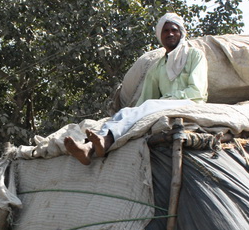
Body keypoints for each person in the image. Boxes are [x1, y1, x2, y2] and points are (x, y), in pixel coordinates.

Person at [63, 12, 209, 165]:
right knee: (126, 111)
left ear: (181, 33)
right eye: (165, 31)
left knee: (150, 105)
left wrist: (163, 101)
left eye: (174, 30)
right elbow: (145, 100)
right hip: (164, 107)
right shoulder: (157, 67)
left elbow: (196, 91)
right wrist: (129, 114)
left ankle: (105, 141)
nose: (170, 34)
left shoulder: (194, 55)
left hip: (190, 104)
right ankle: (89, 147)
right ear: (160, 35)